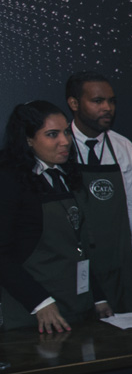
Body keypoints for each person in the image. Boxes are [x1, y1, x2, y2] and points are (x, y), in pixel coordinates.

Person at [0, 101, 110, 332]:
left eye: (66, 132)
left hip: (77, 306)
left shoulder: (66, 175)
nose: (65, 141)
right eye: (52, 134)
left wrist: (97, 296)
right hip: (33, 313)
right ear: (28, 140)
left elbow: (78, 245)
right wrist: (39, 302)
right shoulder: (9, 181)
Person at [65, 72, 132, 310]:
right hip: (76, 266)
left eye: (111, 101)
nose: (107, 108)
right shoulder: (60, 148)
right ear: (74, 103)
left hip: (119, 261)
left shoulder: (124, 147)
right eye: (98, 101)